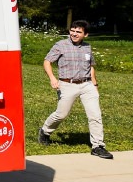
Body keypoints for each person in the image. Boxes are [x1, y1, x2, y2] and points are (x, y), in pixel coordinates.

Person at [38, 20, 113, 159]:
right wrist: (52, 78)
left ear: (86, 34)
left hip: (87, 85)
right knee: (61, 114)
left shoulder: (87, 47)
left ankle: (98, 146)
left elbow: (91, 66)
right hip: (67, 84)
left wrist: (95, 85)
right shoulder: (61, 45)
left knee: (95, 115)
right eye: (72, 30)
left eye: (78, 31)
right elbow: (47, 61)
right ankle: (45, 131)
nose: (74, 33)